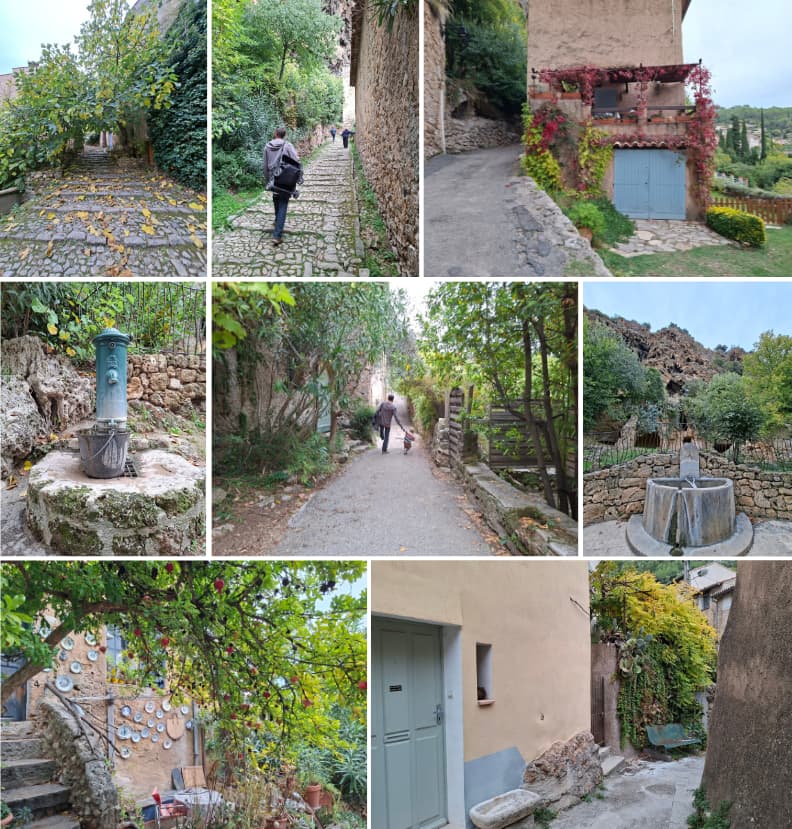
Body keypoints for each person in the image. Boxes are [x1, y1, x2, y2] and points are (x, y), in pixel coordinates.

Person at [264, 126, 301, 246]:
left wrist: (267, 180)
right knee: (283, 203)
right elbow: (296, 160)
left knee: (276, 198)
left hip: (272, 178)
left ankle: (277, 221)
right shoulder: (288, 145)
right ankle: (277, 235)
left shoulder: (267, 146)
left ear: (275, 133)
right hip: (284, 178)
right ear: (284, 135)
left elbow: (264, 166)